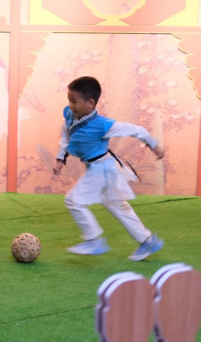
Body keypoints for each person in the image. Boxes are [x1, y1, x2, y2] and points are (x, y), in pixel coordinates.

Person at [53, 76, 165, 261]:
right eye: (69, 100)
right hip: (101, 169)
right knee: (117, 205)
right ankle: (147, 241)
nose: (70, 105)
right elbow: (66, 137)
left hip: (102, 169)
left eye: (74, 101)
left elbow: (137, 130)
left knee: (73, 201)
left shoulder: (103, 125)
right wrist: (60, 158)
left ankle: (93, 240)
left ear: (90, 103)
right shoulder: (70, 115)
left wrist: (155, 145)